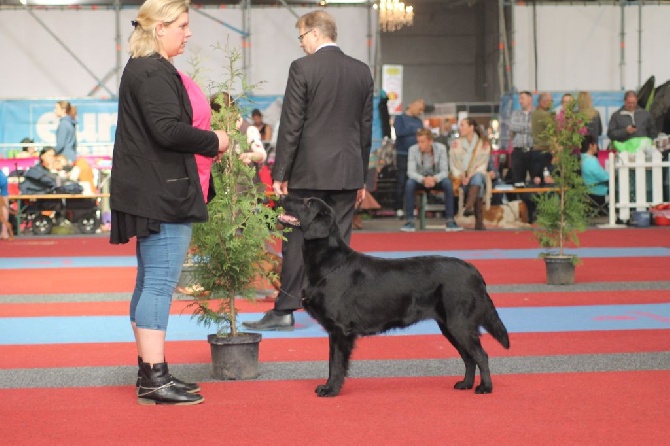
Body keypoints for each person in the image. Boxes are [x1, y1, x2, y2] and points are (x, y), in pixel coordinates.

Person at [110, 0, 230, 406]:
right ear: (160, 28)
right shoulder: (151, 70)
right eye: (182, 24)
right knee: (159, 284)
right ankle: (155, 379)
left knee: (150, 282)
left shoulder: (145, 68)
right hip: (162, 192)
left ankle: (150, 372)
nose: (188, 32)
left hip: (155, 189)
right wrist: (217, 141)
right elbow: (166, 130)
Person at [242, 10, 373, 331]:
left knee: (297, 238)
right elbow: (365, 128)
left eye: (301, 36)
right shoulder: (362, 71)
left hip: (307, 173)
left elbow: (291, 126)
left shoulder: (302, 68)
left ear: (315, 33)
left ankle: (286, 309)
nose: (300, 43)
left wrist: (280, 174)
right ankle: (338, 307)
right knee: (339, 241)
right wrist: (361, 178)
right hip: (347, 172)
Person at [401, 128, 461, 232]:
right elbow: (410, 172)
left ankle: (450, 221)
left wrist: (434, 179)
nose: (420, 145)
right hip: (420, 179)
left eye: (422, 142)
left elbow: (444, 171)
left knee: (447, 183)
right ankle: (409, 221)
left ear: (430, 141)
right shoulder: (413, 150)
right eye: (418, 142)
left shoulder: (441, 149)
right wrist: (424, 179)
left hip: (435, 178)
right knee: (409, 183)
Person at [449, 118, 491, 230]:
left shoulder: (483, 143)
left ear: (471, 127)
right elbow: (452, 163)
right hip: (460, 177)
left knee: (477, 178)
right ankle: (478, 220)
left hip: (475, 174)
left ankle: (468, 206)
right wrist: (462, 176)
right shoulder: (455, 144)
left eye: (463, 125)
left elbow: (483, 164)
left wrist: (469, 176)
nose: (460, 128)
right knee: (479, 186)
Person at [392, 98, 425, 218]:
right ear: (412, 105)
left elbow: (423, 135)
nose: (421, 112)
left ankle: (412, 207)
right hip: (403, 154)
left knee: (414, 181)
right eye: (420, 109)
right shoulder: (400, 118)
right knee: (401, 181)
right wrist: (414, 130)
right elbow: (399, 132)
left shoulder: (419, 121)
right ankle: (399, 207)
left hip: (417, 156)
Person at [508, 91, 534, 187]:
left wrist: (520, 128)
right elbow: (512, 126)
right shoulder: (515, 114)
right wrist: (528, 127)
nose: (520, 101)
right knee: (518, 181)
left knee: (535, 179)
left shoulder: (536, 114)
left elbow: (535, 129)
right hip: (518, 151)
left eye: (522, 98)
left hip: (533, 150)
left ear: (530, 99)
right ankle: (519, 200)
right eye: (519, 99)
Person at [581, 134, 609, 215]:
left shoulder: (581, 158)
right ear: (591, 146)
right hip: (597, 191)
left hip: (587, 190)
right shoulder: (591, 161)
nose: (597, 146)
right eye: (596, 144)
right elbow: (604, 177)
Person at [530, 92, 554, 185]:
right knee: (546, 180)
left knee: (536, 180)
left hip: (535, 151)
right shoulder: (545, 115)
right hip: (544, 152)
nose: (552, 103)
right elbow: (554, 131)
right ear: (544, 102)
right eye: (551, 101)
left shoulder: (534, 113)